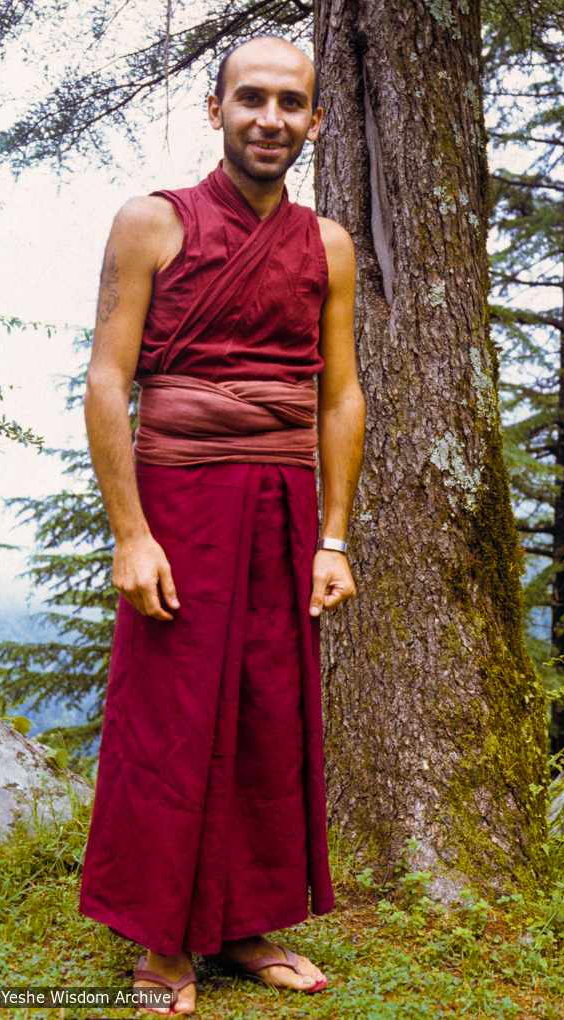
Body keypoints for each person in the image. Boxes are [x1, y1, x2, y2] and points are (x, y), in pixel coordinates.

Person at [78, 33, 366, 1016]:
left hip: (282, 508)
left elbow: (339, 394)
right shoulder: (152, 223)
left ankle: (243, 925)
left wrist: (333, 536)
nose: (269, 119)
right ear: (216, 109)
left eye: (290, 103)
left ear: (314, 121)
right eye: (251, 98)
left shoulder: (326, 245)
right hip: (179, 503)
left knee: (265, 716)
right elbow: (108, 379)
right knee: (169, 718)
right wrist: (131, 534)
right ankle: (162, 939)